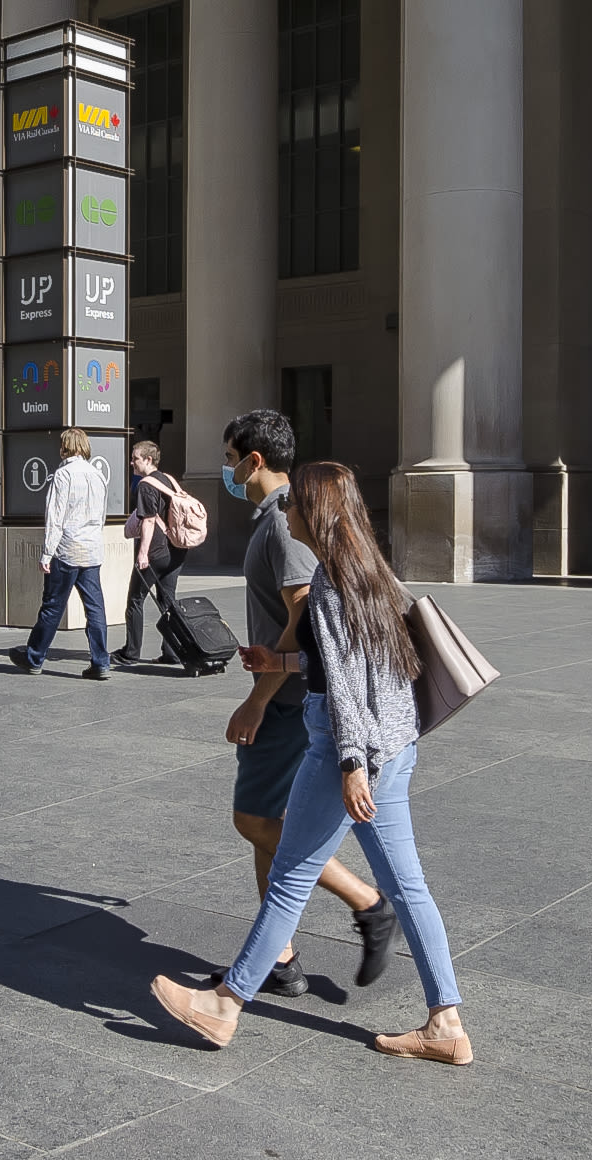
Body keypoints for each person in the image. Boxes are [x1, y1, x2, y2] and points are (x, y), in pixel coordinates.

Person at [151, 461, 469, 1066]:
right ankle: (446, 1022)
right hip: (396, 749)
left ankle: (224, 1004)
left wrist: (351, 763)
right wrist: (279, 663)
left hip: (345, 751)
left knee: (291, 876)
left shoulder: (328, 584)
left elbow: (349, 687)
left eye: (294, 505)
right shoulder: (370, 571)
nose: (286, 512)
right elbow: (362, 668)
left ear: (315, 514)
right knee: (407, 889)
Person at [208, 408, 394, 996]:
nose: (227, 470)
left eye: (231, 458)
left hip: (288, 700)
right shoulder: (278, 518)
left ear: (254, 461)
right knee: (269, 820)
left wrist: (258, 699)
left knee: (257, 821)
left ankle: (368, 902)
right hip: (287, 692)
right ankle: (278, 958)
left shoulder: (284, 527)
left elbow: (303, 615)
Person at [14, 428, 112, 679]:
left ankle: (34, 656)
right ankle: (101, 662)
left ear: (64, 447)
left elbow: (55, 518)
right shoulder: (98, 475)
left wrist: (47, 554)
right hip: (91, 550)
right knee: (95, 608)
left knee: (53, 606)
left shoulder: (63, 475)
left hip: (67, 549)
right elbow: (101, 516)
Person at [123, 441, 183, 661]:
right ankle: (172, 652)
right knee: (167, 602)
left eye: (135, 458)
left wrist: (142, 553)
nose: (132, 462)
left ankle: (131, 653)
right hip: (176, 549)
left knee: (135, 600)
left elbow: (148, 521)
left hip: (156, 550)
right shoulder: (170, 480)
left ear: (148, 460)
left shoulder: (146, 485)